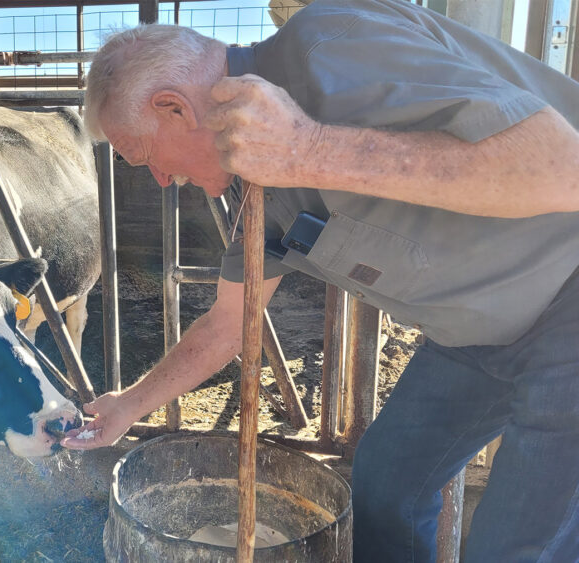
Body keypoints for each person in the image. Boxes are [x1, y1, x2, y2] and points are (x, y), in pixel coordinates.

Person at [61, 0, 579, 560]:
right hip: (478, 333)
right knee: (386, 486)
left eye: (143, 158)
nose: (162, 180)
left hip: (566, 297)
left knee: (514, 546)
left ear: (175, 109)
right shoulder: (255, 185)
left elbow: (561, 167)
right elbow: (228, 325)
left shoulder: (327, 46)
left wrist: (308, 150)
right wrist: (129, 405)